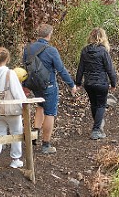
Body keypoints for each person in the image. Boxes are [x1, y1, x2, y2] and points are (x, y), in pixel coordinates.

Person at [22, 24, 78, 155]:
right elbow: (61, 70)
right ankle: (46, 144)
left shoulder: (28, 49)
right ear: (49, 35)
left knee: (40, 106)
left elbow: (25, 67)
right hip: (49, 85)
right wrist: (71, 85)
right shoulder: (51, 50)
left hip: (34, 85)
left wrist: (25, 85)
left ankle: (34, 136)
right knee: (50, 113)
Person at [75, 28, 118, 140]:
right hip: (101, 83)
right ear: (103, 37)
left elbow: (80, 68)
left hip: (88, 83)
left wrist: (78, 82)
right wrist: (113, 83)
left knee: (94, 104)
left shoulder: (85, 50)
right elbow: (110, 69)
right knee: (101, 105)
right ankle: (96, 129)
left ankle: (97, 125)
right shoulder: (103, 51)